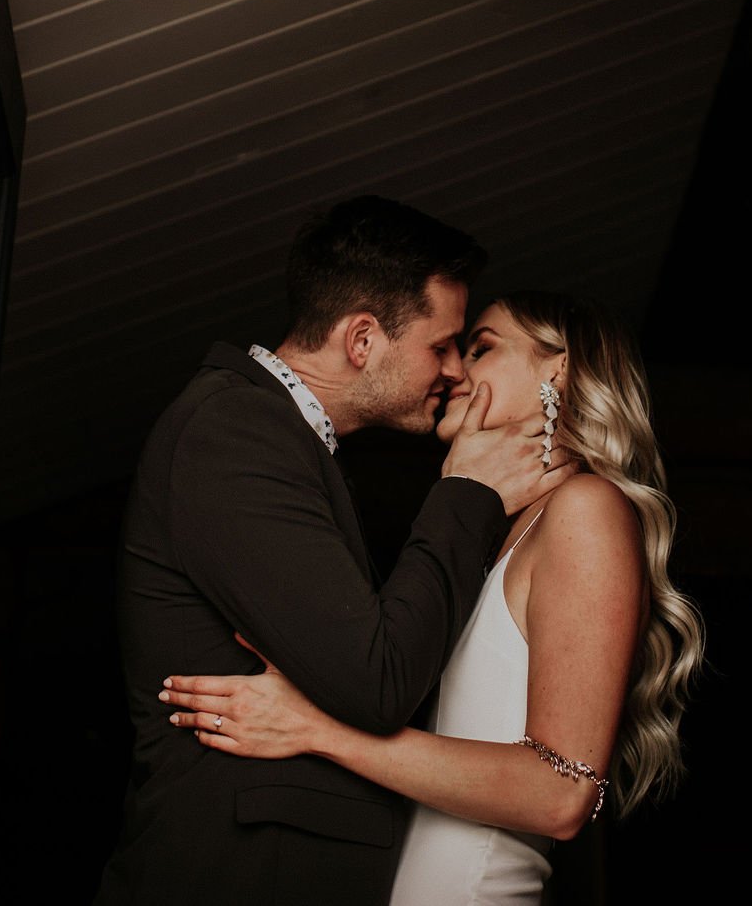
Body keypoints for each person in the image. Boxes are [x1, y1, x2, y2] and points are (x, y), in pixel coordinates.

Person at [93, 198, 574, 906]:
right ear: (361, 339)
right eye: (441, 345)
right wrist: (465, 491)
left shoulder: (281, 439)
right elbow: (375, 680)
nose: (452, 371)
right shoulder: (233, 429)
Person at [160, 291, 705, 906]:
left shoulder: (587, 508)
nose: (454, 372)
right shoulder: (504, 532)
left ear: (559, 368)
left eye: (481, 349)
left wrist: (316, 728)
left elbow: (564, 794)